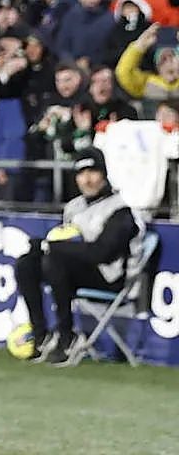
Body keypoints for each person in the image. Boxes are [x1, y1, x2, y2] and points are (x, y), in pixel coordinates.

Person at [13, 149, 143, 365]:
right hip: (76, 270)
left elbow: (103, 253)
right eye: (81, 173)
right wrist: (44, 247)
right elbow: (67, 244)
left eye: (93, 172)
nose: (87, 179)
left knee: (54, 261)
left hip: (111, 277)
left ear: (104, 173)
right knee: (27, 263)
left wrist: (52, 247)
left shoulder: (120, 210)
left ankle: (67, 336)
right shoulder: (74, 207)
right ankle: (41, 334)